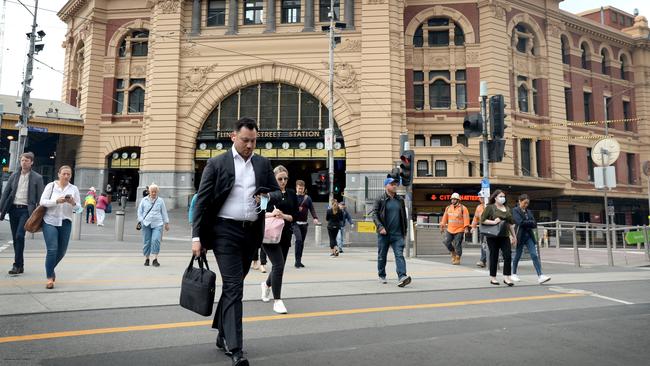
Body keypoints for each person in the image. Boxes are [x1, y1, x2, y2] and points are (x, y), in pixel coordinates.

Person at [191, 117, 280, 366]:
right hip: (224, 232)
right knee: (234, 287)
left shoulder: (262, 164)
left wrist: (266, 196)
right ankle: (236, 347)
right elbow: (202, 202)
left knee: (233, 286)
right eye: (245, 140)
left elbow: (276, 192)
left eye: (253, 141)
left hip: (251, 233)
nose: (249, 145)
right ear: (233, 137)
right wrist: (197, 237)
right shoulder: (216, 163)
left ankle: (222, 334)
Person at [260, 165, 298, 314]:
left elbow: (294, 215)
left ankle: (266, 285)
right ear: (274, 179)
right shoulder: (267, 194)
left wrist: (284, 216)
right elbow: (259, 214)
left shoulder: (291, 193)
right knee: (279, 265)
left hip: (285, 234)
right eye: (280, 179)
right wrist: (272, 214)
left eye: (285, 178)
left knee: (278, 266)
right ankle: (278, 300)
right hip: (269, 235)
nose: (283, 181)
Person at [0, 152, 44, 275]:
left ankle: (16, 265)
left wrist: (41, 215)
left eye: (26, 160)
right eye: (22, 160)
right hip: (13, 210)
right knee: (16, 238)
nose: (24, 162)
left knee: (20, 235)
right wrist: (0, 208)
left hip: (26, 211)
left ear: (32, 162)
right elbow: (6, 193)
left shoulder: (38, 178)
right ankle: (20, 265)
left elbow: (41, 198)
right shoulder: (14, 176)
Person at [40, 165, 81, 289]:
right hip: (50, 221)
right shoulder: (51, 186)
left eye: (69, 174)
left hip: (65, 222)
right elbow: (42, 202)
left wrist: (73, 203)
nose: (66, 176)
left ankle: (50, 267)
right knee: (52, 249)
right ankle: (49, 278)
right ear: (59, 174)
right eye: (64, 174)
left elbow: (79, 209)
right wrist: (56, 201)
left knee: (61, 252)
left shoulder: (74, 189)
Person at [372, 176, 412, 287]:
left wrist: (405, 231)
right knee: (382, 255)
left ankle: (402, 276)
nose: (395, 186)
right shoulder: (380, 199)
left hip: (398, 234)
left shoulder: (400, 200)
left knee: (399, 255)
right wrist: (380, 227)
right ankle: (381, 275)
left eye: (396, 184)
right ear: (386, 186)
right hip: (384, 234)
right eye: (392, 184)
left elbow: (404, 216)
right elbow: (374, 214)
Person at [480, 189, 517, 286]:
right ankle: (493, 278)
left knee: (508, 256)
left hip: (504, 236)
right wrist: (494, 222)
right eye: (500, 196)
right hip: (493, 235)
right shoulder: (490, 208)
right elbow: (482, 220)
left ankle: (507, 277)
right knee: (494, 256)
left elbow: (510, 224)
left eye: (503, 196)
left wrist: (514, 236)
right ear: (495, 197)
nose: (502, 198)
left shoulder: (507, 208)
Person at [512, 194, 551, 284]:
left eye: (527, 203)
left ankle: (540, 275)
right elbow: (520, 222)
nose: (526, 205)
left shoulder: (529, 211)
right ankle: (513, 273)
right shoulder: (515, 210)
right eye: (524, 203)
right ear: (519, 201)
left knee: (534, 255)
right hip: (520, 236)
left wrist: (528, 222)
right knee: (518, 255)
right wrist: (530, 222)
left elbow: (534, 223)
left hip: (529, 236)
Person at [137, 184, 170, 267]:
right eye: (152, 192)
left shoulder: (160, 201)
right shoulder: (144, 200)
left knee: (156, 240)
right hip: (146, 223)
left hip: (157, 223)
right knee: (146, 241)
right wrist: (141, 220)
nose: (154, 193)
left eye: (155, 192)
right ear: (149, 192)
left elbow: (164, 212)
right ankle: (147, 258)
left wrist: (166, 223)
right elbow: (139, 212)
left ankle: (155, 259)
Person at [292, 179, 319, 268]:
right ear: (296, 188)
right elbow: (289, 208)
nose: (300, 190)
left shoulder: (307, 198)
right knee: (298, 240)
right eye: (299, 188)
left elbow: (312, 209)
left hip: (304, 223)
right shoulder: (293, 197)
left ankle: (299, 260)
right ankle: (297, 261)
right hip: (295, 223)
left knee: (302, 243)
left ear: (304, 188)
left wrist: (315, 218)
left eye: (302, 188)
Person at [440, 192, 470, 265]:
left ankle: (457, 258)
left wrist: (466, 228)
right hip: (450, 229)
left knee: (457, 244)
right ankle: (453, 252)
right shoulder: (448, 208)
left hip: (459, 229)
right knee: (446, 242)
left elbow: (466, 218)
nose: (452, 201)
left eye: (454, 199)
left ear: (458, 200)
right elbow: (444, 218)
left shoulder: (463, 208)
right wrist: (442, 226)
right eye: (452, 199)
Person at [471, 191, 488, 268]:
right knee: (483, 244)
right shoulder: (479, 207)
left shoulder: (490, 205)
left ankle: (492, 260)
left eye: (482, 197)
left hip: (492, 227)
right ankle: (483, 260)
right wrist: (473, 227)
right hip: (483, 227)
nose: (480, 199)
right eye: (480, 198)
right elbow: (475, 218)